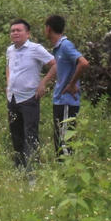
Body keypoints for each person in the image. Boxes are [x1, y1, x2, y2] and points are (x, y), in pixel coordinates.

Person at [5, 19, 55, 173]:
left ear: (28, 33)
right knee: (16, 134)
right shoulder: (10, 50)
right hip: (12, 98)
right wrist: (8, 83)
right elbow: (8, 66)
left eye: (19, 30)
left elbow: (55, 64)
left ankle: (32, 169)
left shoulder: (36, 49)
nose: (15, 33)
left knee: (30, 134)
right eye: (13, 30)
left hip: (29, 98)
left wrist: (43, 83)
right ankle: (19, 167)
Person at [44, 15, 89, 157]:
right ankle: (62, 169)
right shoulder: (58, 48)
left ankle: (65, 170)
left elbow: (84, 63)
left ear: (48, 29)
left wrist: (71, 84)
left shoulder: (65, 45)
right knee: (59, 137)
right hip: (60, 99)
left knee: (64, 140)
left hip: (66, 100)